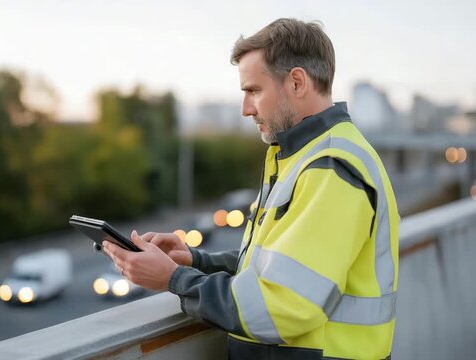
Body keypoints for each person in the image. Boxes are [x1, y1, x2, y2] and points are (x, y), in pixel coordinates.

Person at [103, 18, 399, 360]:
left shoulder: (331, 168)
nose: (246, 109)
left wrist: (175, 278)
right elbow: (278, 266)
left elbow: (282, 308)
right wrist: (197, 260)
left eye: (254, 91)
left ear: (297, 82)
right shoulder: (303, 157)